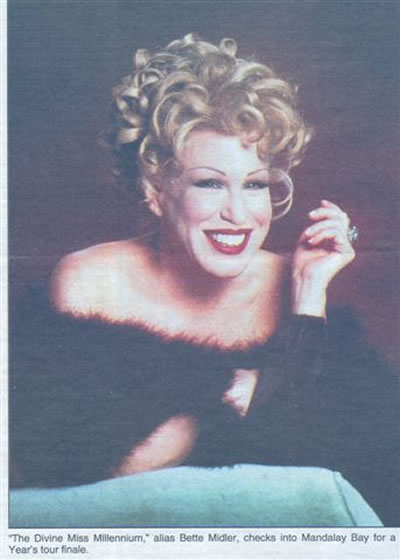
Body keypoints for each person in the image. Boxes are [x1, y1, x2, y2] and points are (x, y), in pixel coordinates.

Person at [10, 34, 398, 525]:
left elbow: (337, 469)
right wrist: (241, 388)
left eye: (254, 184)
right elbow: (72, 464)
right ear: (156, 189)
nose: (238, 214)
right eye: (210, 183)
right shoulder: (92, 282)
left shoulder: (294, 281)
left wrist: (308, 297)